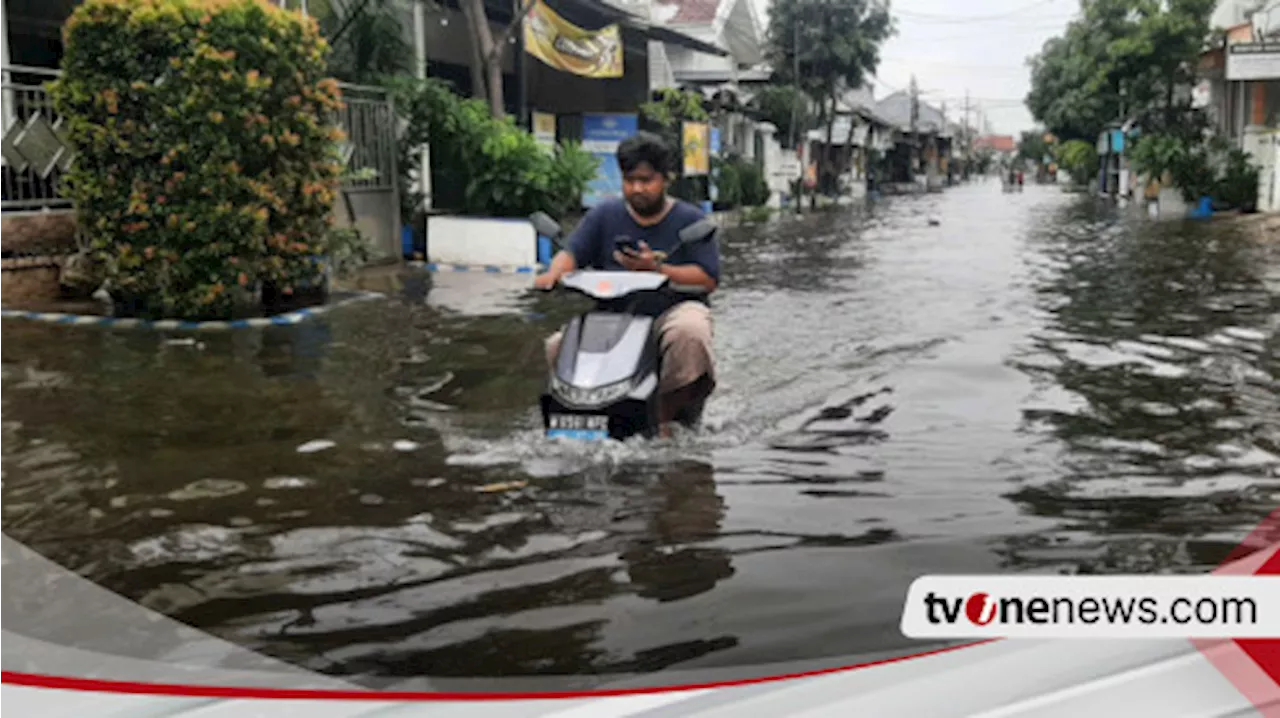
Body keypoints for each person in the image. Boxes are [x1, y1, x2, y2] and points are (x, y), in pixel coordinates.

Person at [534, 131, 719, 438]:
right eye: (630, 180)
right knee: (558, 345)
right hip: (613, 315)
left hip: (670, 309)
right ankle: (572, 418)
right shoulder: (604, 215)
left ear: (665, 179)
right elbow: (572, 252)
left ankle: (665, 416)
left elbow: (708, 278)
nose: (637, 188)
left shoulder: (690, 220)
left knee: (690, 332)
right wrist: (554, 273)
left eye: (646, 180)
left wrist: (656, 267)